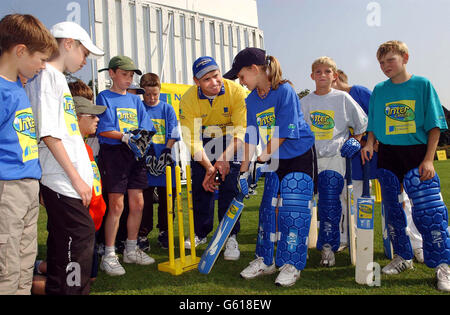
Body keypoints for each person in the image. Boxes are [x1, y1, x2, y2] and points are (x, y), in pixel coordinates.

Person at [361, 40, 450, 291]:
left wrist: (429, 158)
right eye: (381, 62)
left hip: (416, 153)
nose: (385, 66)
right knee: (393, 211)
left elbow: (434, 125)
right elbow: (373, 124)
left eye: (390, 60)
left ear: (405, 57)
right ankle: (403, 257)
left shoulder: (422, 85)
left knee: (430, 212)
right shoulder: (379, 89)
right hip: (388, 155)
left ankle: (443, 266)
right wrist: (369, 144)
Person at [223, 47, 316, 287]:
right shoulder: (251, 99)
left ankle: (291, 264)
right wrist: (244, 170)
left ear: (255, 70)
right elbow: (251, 136)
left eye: (242, 76)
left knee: (292, 212)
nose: (241, 82)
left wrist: (260, 159)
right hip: (273, 158)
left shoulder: (285, 90)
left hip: (298, 154)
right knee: (268, 210)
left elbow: (286, 131)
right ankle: (265, 260)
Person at [25, 21, 103, 295]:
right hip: (62, 181)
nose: (85, 60)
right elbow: (48, 134)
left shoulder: (54, 77)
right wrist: (77, 180)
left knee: (66, 249)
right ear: (68, 43)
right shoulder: (47, 76)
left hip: (63, 181)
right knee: (77, 247)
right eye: (84, 52)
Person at [333, 69, 425, 262]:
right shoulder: (333, 100)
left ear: (336, 77)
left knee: (400, 198)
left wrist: (375, 142)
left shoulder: (358, 91)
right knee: (353, 198)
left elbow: (377, 116)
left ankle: (416, 243)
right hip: (355, 158)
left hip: (378, 151)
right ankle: (351, 238)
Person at [0, 14, 57, 295]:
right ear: (20, 50)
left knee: (24, 263)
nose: (43, 66)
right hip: (6, 190)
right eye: (41, 58)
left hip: (28, 187)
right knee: (6, 268)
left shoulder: (20, 87)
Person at [32, 95, 107, 295]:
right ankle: (23, 283)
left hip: (90, 220)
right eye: (92, 116)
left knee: (87, 277)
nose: (97, 119)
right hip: (73, 216)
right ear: (76, 118)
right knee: (71, 281)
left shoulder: (87, 149)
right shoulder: (62, 148)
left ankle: (35, 272)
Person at [301, 56, 368, 267]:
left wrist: (356, 141)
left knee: (330, 201)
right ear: (312, 76)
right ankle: (296, 246)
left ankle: (328, 248)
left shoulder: (343, 99)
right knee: (306, 203)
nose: (322, 75)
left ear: (335, 76)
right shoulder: (304, 102)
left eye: (327, 72)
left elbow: (362, 124)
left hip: (335, 157)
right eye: (318, 72)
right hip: (310, 159)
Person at [179, 56, 247, 260]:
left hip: (231, 142)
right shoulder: (188, 99)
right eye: (206, 79)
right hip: (204, 141)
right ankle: (201, 232)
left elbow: (241, 132)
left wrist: (224, 160)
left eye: (216, 76)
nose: (214, 82)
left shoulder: (236, 92)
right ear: (196, 81)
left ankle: (230, 236)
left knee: (229, 189)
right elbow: (191, 139)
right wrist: (210, 168)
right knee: (203, 187)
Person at [96, 55, 156, 276]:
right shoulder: (104, 97)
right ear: (111, 73)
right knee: (117, 205)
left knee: (138, 203)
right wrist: (124, 137)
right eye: (124, 74)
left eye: (131, 75)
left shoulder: (135, 101)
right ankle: (109, 254)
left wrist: (141, 140)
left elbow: (146, 128)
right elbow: (102, 129)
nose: (129, 79)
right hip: (114, 154)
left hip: (135, 155)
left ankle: (131, 249)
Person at [138, 72, 180, 249]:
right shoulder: (140, 108)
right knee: (145, 202)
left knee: (167, 200)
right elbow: (138, 133)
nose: (151, 98)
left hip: (166, 161)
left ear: (160, 91)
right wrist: (146, 154)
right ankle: (142, 234)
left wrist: (166, 151)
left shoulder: (167, 108)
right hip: (146, 162)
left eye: (155, 94)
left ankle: (165, 232)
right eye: (147, 94)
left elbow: (173, 133)